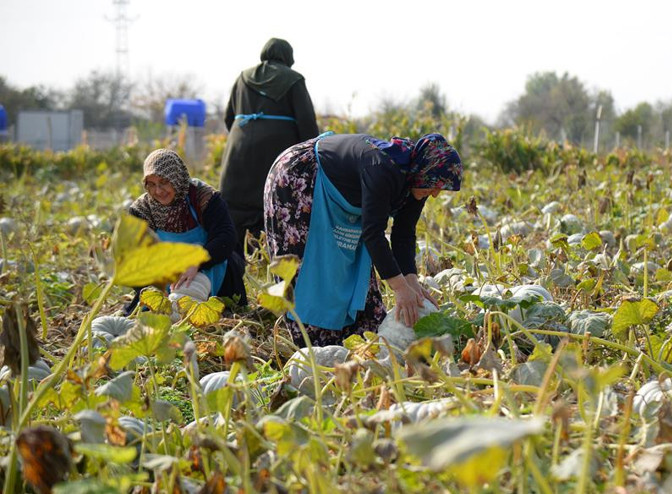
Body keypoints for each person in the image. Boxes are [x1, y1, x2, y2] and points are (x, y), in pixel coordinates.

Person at [264, 132, 462, 347]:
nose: (434, 194)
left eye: (439, 189)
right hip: (299, 177)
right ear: (424, 171)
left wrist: (411, 281)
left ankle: (354, 336)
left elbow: (404, 234)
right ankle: (309, 343)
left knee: (351, 262)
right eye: (434, 185)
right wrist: (399, 287)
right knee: (310, 264)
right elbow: (373, 233)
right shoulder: (383, 167)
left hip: (341, 190)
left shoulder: (418, 178)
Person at [219, 38, 320, 254]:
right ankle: (270, 256)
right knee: (272, 202)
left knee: (235, 206)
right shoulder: (294, 80)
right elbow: (307, 124)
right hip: (276, 151)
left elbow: (229, 118)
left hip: (238, 149)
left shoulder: (242, 78)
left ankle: (234, 259)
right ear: (288, 57)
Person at [127, 149, 247, 312]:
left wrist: (196, 261)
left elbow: (226, 237)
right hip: (166, 275)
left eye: (164, 182)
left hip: (209, 265)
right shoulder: (141, 210)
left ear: (176, 178)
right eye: (152, 184)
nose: (158, 191)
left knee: (219, 294)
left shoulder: (204, 197)